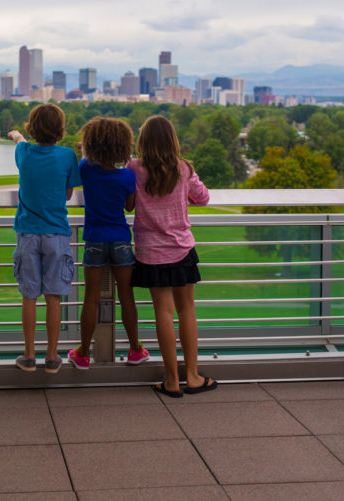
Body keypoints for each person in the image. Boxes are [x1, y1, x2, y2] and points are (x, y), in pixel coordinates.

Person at [128, 115, 217, 398]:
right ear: (172, 141)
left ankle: (171, 381)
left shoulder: (134, 169)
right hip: (181, 249)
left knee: (162, 313)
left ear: (143, 141)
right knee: (186, 310)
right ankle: (192, 376)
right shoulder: (183, 168)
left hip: (151, 252)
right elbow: (203, 198)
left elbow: (128, 205)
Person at [67, 117, 150, 369]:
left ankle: (82, 354)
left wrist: (86, 151)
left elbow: (82, 159)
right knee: (126, 297)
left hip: (94, 240)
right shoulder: (127, 176)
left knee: (91, 298)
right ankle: (136, 350)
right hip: (121, 240)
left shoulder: (86, 169)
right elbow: (129, 205)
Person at [8, 103, 82, 374]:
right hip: (56, 234)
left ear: (32, 127)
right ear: (60, 130)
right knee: (53, 297)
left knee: (29, 296)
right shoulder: (67, 156)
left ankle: (29, 356)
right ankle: (52, 357)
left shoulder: (24, 152)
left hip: (27, 232)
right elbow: (67, 195)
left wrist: (16, 135)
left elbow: (20, 142)